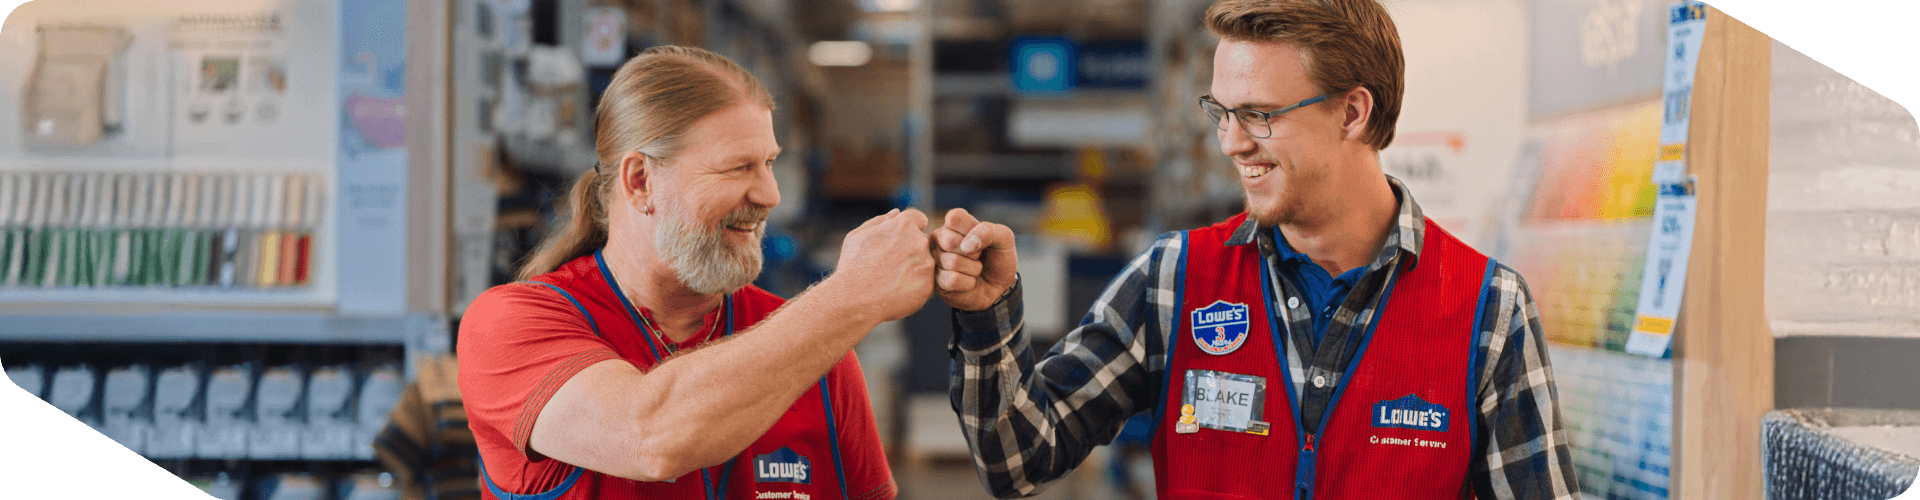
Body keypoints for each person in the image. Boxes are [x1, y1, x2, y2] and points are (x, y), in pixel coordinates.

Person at [930, 0, 1582, 498]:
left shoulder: (1488, 310)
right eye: (1221, 110)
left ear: (1353, 113)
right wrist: (990, 320)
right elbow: (1018, 457)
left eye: (1260, 115)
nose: (1231, 143)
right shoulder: (1175, 281)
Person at [458, 45, 924, 500]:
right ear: (640, 180)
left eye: (769, 163)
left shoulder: (819, 351)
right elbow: (649, 438)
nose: (769, 194)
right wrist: (852, 293)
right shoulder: (509, 325)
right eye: (737, 167)